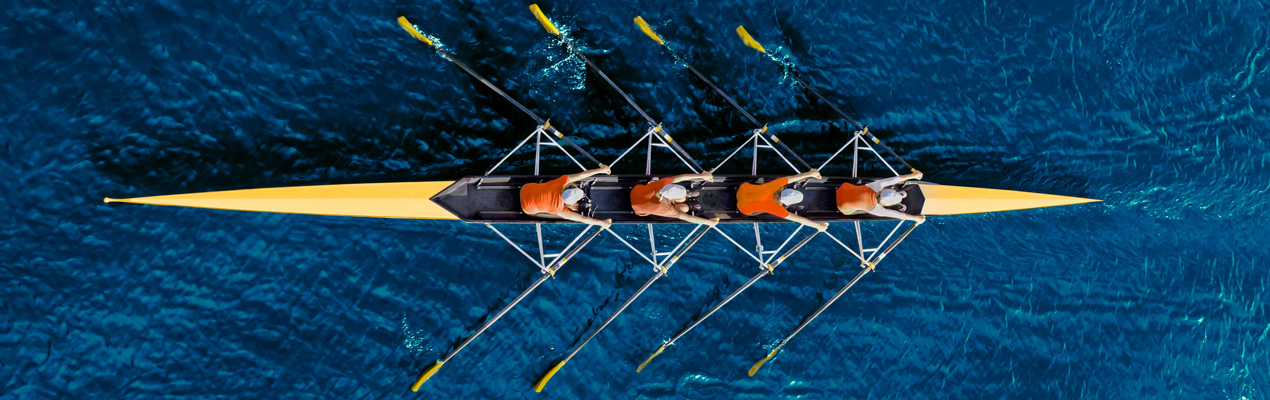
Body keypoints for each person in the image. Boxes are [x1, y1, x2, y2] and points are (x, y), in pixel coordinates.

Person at [521, 166, 613, 228]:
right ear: (568, 205)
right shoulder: (559, 210)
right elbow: (582, 218)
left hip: (525, 188)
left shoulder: (562, 182)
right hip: (526, 209)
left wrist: (601, 170)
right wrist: (602, 223)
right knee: (559, 216)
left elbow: (581, 175)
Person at [736, 169, 828, 231]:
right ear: (784, 203)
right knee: (769, 212)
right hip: (742, 208)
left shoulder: (777, 184)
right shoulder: (776, 208)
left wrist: (811, 173)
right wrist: (818, 226)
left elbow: (792, 178)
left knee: (769, 182)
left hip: (743, 188)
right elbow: (799, 219)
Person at [630, 172, 718, 226]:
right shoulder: (663, 208)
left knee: (682, 199)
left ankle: (686, 195)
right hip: (639, 210)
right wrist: (708, 223)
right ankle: (687, 200)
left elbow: (682, 177)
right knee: (685, 208)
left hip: (636, 190)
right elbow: (686, 217)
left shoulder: (662, 185)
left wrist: (703, 176)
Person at [836, 170, 925, 223]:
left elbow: (894, 179)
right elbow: (896, 214)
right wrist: (916, 218)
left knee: (860, 191)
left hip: (842, 188)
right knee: (863, 210)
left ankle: (899, 194)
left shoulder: (876, 186)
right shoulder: (875, 208)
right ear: (885, 205)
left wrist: (913, 175)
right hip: (842, 208)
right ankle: (900, 197)